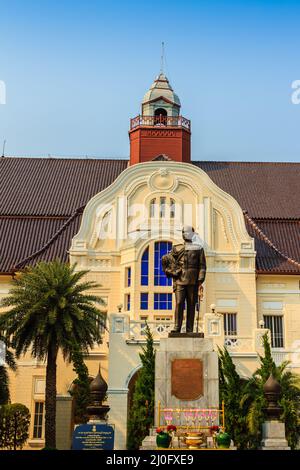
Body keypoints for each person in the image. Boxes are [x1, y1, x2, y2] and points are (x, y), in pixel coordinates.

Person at [162, 226, 206, 333]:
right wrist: (171, 271)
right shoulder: (177, 248)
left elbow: (202, 266)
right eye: (184, 232)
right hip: (179, 279)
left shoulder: (199, 249)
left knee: (191, 304)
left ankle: (189, 329)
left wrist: (200, 279)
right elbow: (168, 260)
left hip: (193, 281)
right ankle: (177, 327)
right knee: (179, 303)